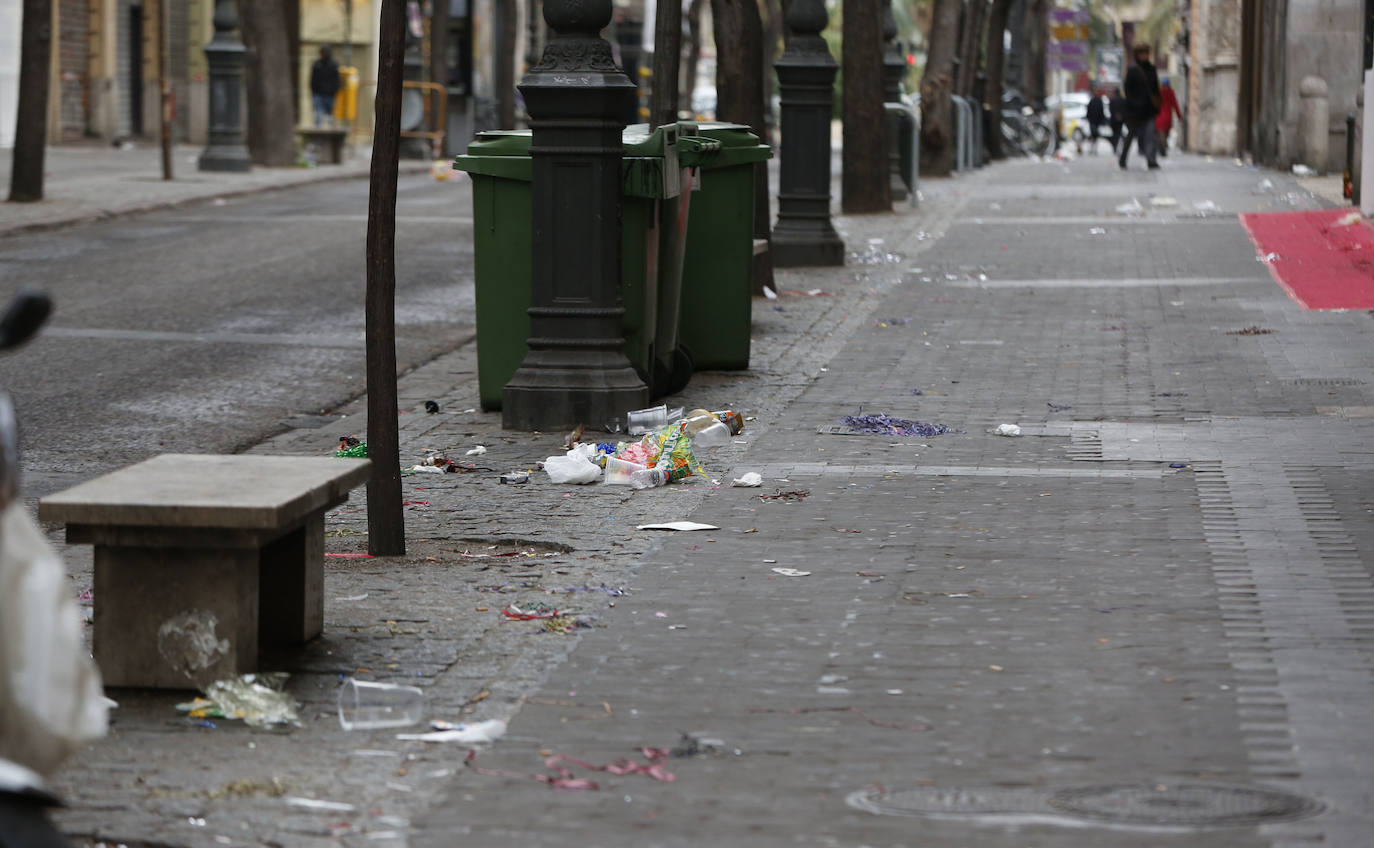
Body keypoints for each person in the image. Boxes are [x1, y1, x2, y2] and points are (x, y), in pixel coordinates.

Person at [1119, 44, 1161, 170]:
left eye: (1146, 53)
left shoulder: (1152, 69)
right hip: (1135, 111)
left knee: (1150, 135)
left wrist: (1157, 104)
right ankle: (1123, 159)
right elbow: (1127, 90)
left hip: (1149, 110)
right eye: (1141, 53)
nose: (1144, 56)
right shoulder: (1133, 71)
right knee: (1130, 135)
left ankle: (1151, 159)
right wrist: (1134, 104)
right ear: (1137, 55)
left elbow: (1155, 89)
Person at [310, 45, 341, 128]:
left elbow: (337, 80)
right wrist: (314, 92)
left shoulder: (334, 65)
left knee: (330, 115)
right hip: (319, 94)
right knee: (318, 114)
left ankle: (331, 132)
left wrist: (334, 91)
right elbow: (313, 80)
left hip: (330, 94)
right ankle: (317, 132)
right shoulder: (317, 64)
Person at [1155, 77, 1183, 157]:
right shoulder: (1171, 92)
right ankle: (1162, 147)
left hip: (1159, 116)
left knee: (1160, 133)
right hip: (1167, 116)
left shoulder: (1158, 92)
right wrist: (1179, 116)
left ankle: (1161, 147)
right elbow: (1175, 105)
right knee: (1165, 134)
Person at [1086, 89, 1107, 155]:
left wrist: (1102, 120)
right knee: (1093, 136)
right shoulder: (1092, 101)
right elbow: (1088, 111)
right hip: (1092, 121)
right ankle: (1092, 149)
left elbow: (1101, 111)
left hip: (1096, 122)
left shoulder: (1098, 101)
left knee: (1095, 136)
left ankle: (1094, 149)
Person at [1108, 87, 1127, 154]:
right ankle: (1118, 146)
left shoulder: (1112, 100)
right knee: (1118, 134)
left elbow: (1110, 109)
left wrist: (1115, 115)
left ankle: (1115, 146)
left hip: (1114, 120)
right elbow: (1125, 109)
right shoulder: (1122, 100)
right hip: (1120, 120)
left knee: (1115, 134)